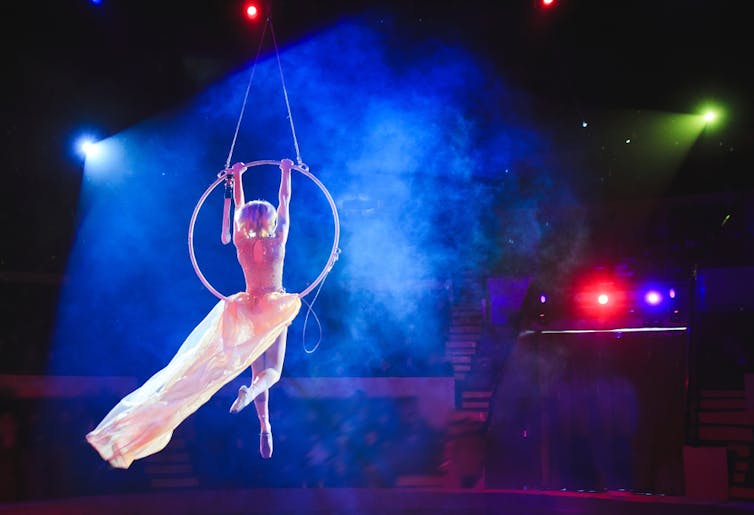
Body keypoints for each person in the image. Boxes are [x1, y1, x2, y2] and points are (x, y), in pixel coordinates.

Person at [86, 159, 301, 469]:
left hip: (247, 307)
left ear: (244, 222)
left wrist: (238, 176)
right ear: (268, 219)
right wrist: (286, 171)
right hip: (273, 304)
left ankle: (264, 425)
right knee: (273, 372)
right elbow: (285, 200)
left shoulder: (240, 240)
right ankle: (256, 403)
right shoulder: (278, 238)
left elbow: (239, 205)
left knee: (256, 367)